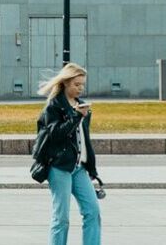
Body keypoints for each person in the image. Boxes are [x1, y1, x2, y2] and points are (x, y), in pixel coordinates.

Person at [35, 62, 103, 245]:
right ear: (65, 83)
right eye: (76, 84)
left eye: (82, 84)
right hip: (59, 167)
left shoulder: (82, 106)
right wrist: (76, 116)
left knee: (93, 212)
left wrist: (92, 167)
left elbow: (84, 139)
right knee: (61, 217)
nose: (80, 88)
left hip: (79, 168)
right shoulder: (54, 106)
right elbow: (56, 135)